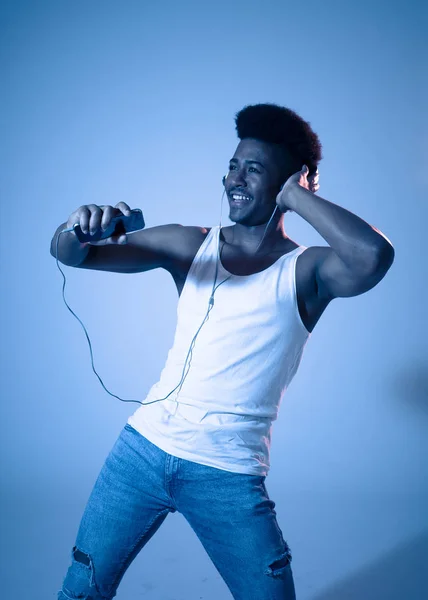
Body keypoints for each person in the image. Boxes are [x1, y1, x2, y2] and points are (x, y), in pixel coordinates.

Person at [52, 103, 395, 600]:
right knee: (80, 591)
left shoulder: (308, 271)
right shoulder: (190, 244)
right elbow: (72, 255)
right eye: (233, 165)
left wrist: (297, 198)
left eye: (254, 169)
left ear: (293, 180)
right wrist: (78, 226)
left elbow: (373, 256)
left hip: (227, 474)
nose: (235, 177)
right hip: (141, 453)